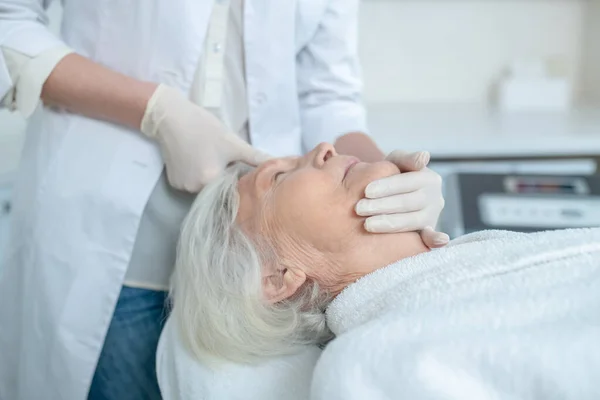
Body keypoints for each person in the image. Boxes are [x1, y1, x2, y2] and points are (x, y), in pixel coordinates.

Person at [0, 1, 448, 399]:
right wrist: (155, 110)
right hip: (107, 232)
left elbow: (327, 94)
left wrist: (389, 183)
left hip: (273, 252)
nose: (324, 153)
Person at [162, 143, 600, 399]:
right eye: (278, 178)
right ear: (277, 276)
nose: (323, 147)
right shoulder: (369, 369)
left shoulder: (488, 257)